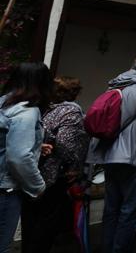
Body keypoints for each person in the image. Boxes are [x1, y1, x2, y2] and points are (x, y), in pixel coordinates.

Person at [87, 56, 136, 253]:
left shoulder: (115, 85)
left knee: (111, 208)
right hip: (134, 158)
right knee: (131, 210)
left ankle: (107, 248)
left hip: (110, 156)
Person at [21, 76, 89, 253]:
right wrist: (76, 165)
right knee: (45, 225)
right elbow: (65, 145)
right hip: (55, 175)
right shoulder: (70, 112)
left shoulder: (43, 109)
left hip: (32, 172)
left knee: (30, 222)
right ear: (72, 94)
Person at [0, 62, 51, 253]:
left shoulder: (4, 102)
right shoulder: (27, 111)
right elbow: (18, 157)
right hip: (7, 189)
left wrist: (37, 145)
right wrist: (37, 187)